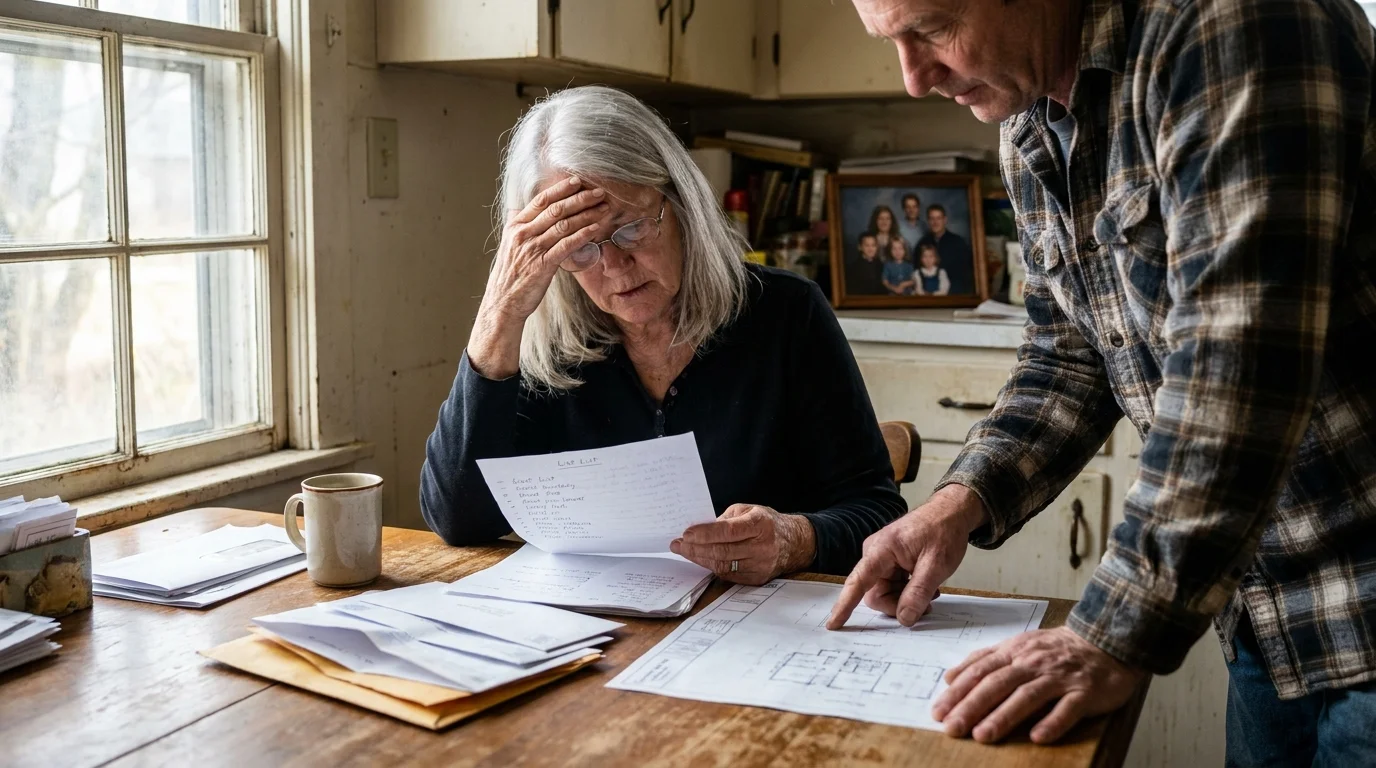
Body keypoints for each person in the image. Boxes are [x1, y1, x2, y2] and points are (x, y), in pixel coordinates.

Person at [836, 0, 1376, 762]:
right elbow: (1069, 352)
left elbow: (1240, 366)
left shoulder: (1230, 22)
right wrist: (959, 505)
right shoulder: (1029, 124)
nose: (915, 79)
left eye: (932, 29)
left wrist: (1106, 636)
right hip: (1268, 607)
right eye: (891, 41)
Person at [420, 85, 906, 587]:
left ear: (681, 204)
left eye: (629, 228)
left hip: (755, 628)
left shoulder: (786, 314)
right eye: (579, 248)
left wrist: (794, 539)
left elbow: (878, 513)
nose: (614, 267)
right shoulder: (548, 341)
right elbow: (459, 520)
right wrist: (499, 314)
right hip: (599, 634)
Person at [916, 204, 974, 294]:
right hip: (928, 295)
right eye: (932, 219)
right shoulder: (922, 243)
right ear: (928, 221)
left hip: (955, 292)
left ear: (945, 220)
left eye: (938, 218)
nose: (935, 222)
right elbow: (917, 270)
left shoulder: (958, 242)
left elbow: (965, 273)